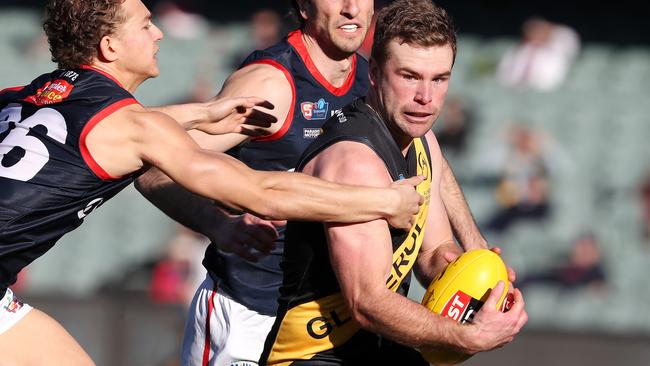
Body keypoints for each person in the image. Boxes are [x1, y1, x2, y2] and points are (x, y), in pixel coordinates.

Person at [0, 0, 425, 364]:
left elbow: (95, 126)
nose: (160, 33)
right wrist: (381, 202)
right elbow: (263, 193)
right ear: (110, 47)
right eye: (145, 24)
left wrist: (204, 113)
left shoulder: (24, 94)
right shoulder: (132, 127)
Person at [135, 0, 493, 365]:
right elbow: (153, 168)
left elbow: (432, 160)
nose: (352, 8)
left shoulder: (382, 80)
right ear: (304, 6)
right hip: (256, 317)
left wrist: (477, 248)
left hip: (337, 325)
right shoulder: (274, 85)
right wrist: (219, 225)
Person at [260, 1, 527, 364]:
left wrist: (480, 284)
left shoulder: (421, 141)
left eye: (439, 79)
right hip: (315, 355)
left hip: (374, 348)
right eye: (409, 76)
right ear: (374, 74)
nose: (425, 98)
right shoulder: (355, 162)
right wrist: (467, 335)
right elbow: (366, 302)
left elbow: (433, 254)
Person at [496, 17, 580, 91]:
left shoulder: (555, 55)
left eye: (538, 31)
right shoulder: (518, 51)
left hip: (541, 91)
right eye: (531, 31)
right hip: (513, 90)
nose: (534, 35)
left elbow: (553, 80)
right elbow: (503, 72)